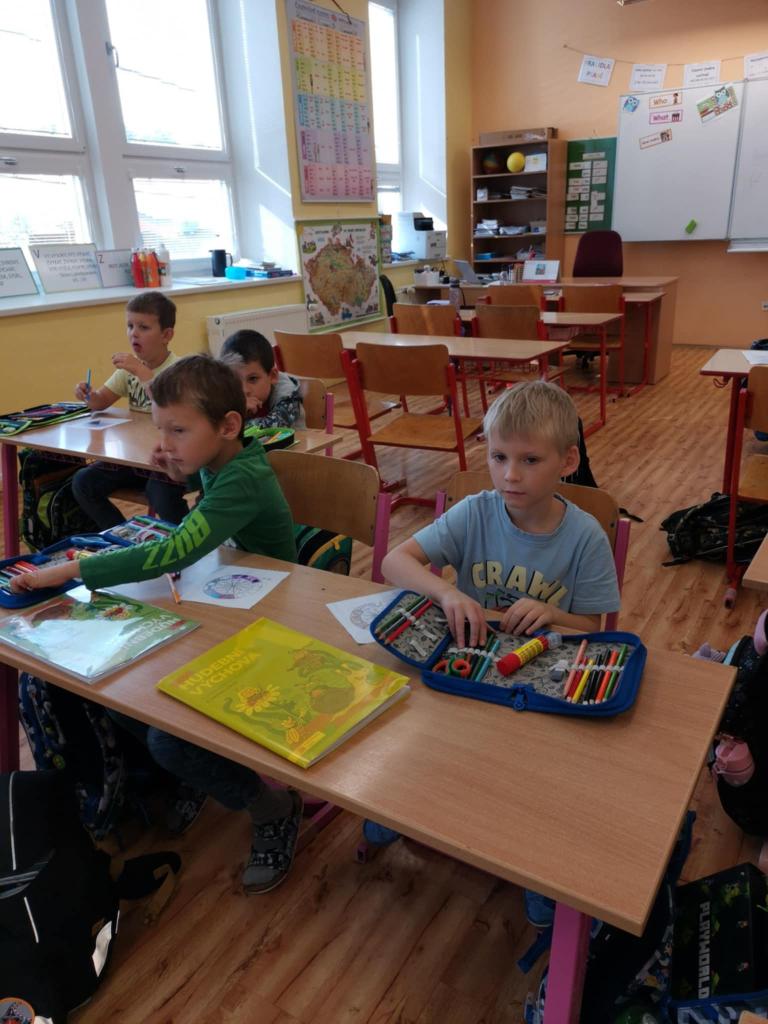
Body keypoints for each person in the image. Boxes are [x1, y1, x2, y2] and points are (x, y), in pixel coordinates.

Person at [13, 355, 303, 895]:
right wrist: (176, 471)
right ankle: (199, 768)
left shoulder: (244, 476)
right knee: (121, 696)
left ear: (228, 426)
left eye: (177, 431)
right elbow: (197, 524)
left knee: (167, 740)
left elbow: (174, 552)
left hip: (271, 621)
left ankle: (273, 807)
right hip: (227, 600)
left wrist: (75, 570)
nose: (164, 441)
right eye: (161, 428)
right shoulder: (223, 459)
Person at [375, 380, 621, 926]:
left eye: (530, 460)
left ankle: (537, 869)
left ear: (568, 461)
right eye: (498, 457)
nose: (510, 475)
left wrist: (553, 612)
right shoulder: (476, 512)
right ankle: (399, 806)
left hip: (538, 678)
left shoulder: (585, 537)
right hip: (469, 666)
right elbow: (395, 562)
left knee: (539, 779)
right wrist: (447, 592)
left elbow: (594, 627)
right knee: (415, 725)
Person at [71, 291, 190, 528]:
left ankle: (183, 542)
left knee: (160, 494)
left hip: (169, 459)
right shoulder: (129, 371)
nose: (134, 333)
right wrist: (87, 394)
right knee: (84, 482)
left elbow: (171, 410)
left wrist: (143, 373)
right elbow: (101, 401)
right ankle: (126, 538)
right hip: (134, 458)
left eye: (143, 327)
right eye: (130, 326)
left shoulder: (178, 370)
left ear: (166, 335)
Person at [218, 329, 306, 429]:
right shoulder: (226, 392)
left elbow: (273, 427)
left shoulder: (287, 395)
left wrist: (237, 418)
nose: (244, 390)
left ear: (272, 376)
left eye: (252, 379)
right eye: (235, 381)